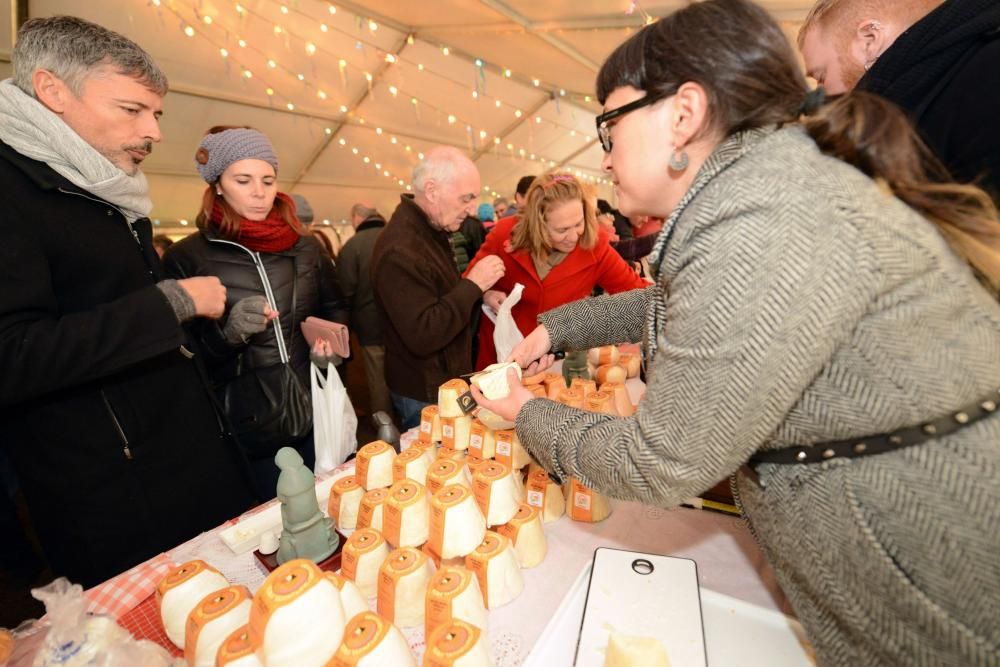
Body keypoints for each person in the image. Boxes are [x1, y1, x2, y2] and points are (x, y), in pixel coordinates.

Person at [470, 1, 1000, 664]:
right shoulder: (764, 190)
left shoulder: (758, 220)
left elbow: (658, 461)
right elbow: (684, 310)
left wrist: (527, 412)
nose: (604, 160)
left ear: (684, 114)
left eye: (609, 127)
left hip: (929, 565)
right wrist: (559, 328)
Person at [0, 16, 255, 588]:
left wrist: (216, 333)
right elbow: (11, 355)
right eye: (131, 109)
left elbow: (131, 324)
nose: (155, 132)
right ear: (52, 91)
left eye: (156, 113)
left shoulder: (104, 184)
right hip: (118, 496)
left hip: (184, 458)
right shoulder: (11, 193)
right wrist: (169, 305)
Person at [164, 126, 348, 499]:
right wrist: (227, 335)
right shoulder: (187, 258)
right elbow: (182, 357)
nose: (259, 192)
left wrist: (331, 352)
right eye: (243, 180)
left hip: (319, 409)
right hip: (248, 426)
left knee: (338, 506)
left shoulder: (305, 248)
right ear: (217, 184)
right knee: (275, 528)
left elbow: (334, 306)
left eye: (268, 179)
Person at [798, 0, 1000, 203]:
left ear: (870, 39)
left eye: (822, 76)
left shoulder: (985, 80)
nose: (821, 94)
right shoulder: (942, 84)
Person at [370, 146, 505, 429]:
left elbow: (438, 294)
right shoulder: (400, 249)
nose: (471, 209)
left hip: (444, 381)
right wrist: (473, 284)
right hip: (424, 392)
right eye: (466, 198)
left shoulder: (431, 231)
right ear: (432, 191)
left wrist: (479, 296)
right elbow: (424, 333)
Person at [466, 173, 646, 369]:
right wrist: (484, 293)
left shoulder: (595, 245)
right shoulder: (503, 234)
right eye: (562, 230)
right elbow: (467, 282)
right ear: (538, 225)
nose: (573, 236)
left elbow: (637, 293)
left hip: (555, 367)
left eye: (578, 223)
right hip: (500, 361)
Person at [338, 203, 392, 417]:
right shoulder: (397, 238)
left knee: (377, 376)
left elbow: (346, 291)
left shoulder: (352, 246)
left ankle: (384, 425)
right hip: (404, 324)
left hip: (370, 326)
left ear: (357, 218)